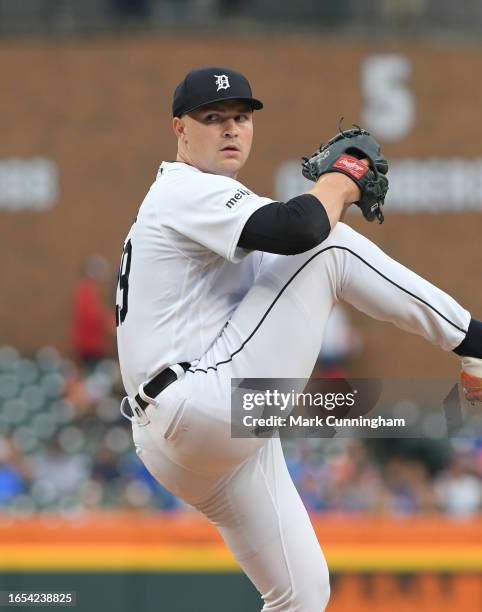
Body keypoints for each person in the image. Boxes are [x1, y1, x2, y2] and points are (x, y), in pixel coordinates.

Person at [116, 66, 482, 611]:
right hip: (202, 404)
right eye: (212, 118)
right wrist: (343, 177)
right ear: (179, 129)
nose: (230, 129)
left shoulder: (211, 204)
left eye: (240, 117)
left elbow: (287, 233)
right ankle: (473, 340)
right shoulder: (183, 189)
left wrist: (325, 198)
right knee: (330, 246)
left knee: (301, 593)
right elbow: (303, 230)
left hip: (188, 436)